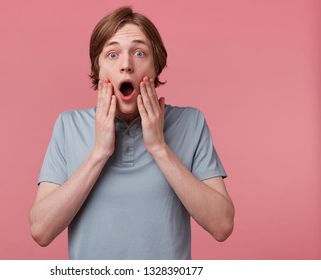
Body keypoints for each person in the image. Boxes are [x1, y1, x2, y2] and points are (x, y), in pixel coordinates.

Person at [29, 6, 234, 260]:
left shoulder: (190, 123)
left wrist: (160, 148)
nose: (126, 65)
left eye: (139, 53)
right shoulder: (68, 126)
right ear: (98, 70)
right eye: (112, 55)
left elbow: (222, 225)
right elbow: (41, 230)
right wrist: (99, 154)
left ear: (156, 66)